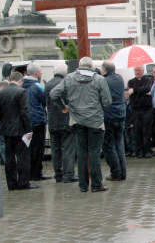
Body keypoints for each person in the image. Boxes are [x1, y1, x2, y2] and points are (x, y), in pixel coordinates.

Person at [50, 57, 111, 193]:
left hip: (77, 121)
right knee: (94, 153)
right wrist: (98, 107)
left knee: (82, 153)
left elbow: (53, 94)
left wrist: (64, 106)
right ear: (91, 67)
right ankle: (96, 185)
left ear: (79, 66)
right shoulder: (99, 79)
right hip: (95, 122)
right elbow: (107, 102)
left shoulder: (69, 78)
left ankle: (83, 185)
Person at [0, 72, 38, 190]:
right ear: (20, 81)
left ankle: (11, 183)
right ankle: (23, 182)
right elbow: (24, 112)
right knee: (22, 157)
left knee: (9, 158)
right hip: (20, 130)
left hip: (6, 130)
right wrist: (29, 129)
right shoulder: (21, 92)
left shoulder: (1, 92)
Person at [44, 63, 77, 183]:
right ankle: (68, 174)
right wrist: (64, 107)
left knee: (55, 149)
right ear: (65, 73)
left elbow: (46, 101)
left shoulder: (47, 84)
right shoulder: (65, 83)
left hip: (52, 122)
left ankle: (58, 174)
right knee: (68, 148)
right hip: (65, 121)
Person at [22, 63, 49, 181]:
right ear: (37, 73)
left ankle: (27, 172)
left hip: (24, 121)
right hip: (37, 121)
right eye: (41, 72)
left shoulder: (21, 84)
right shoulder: (37, 86)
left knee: (27, 147)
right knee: (38, 148)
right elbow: (45, 100)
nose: (41, 74)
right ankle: (36, 173)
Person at [101, 61, 127, 181]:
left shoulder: (103, 80)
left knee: (108, 146)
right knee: (119, 144)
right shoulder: (119, 78)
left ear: (105, 70)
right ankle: (123, 172)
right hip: (121, 114)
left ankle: (115, 172)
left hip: (109, 115)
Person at [127, 65, 153, 158]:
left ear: (143, 71)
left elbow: (147, 88)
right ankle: (139, 151)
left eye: (139, 70)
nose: (137, 72)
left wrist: (135, 90)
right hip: (136, 110)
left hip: (147, 110)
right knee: (137, 131)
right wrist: (141, 92)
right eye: (135, 70)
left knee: (146, 131)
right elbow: (132, 95)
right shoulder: (131, 81)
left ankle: (147, 151)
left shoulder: (148, 79)